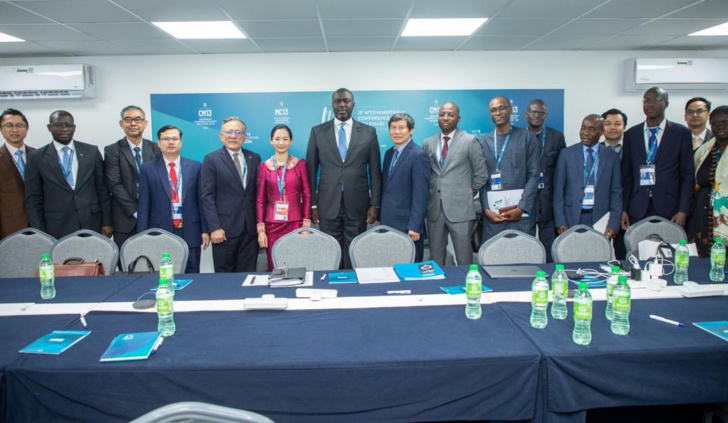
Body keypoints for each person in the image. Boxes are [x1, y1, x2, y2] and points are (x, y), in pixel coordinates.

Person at [306, 88, 382, 269]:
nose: (342, 105)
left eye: (346, 101)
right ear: (332, 105)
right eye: (338, 101)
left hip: (358, 203)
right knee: (331, 250)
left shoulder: (368, 132)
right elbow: (311, 170)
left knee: (354, 250)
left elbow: (375, 171)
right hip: (327, 203)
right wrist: (313, 204)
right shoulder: (318, 132)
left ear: (353, 104)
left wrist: (374, 204)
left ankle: (352, 289)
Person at [25, 110, 112, 240]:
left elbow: (102, 189)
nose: (64, 129)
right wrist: (39, 231)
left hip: (92, 221)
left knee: (94, 259)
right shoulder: (36, 157)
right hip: (56, 225)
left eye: (68, 125)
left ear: (74, 128)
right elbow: (33, 198)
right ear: (49, 128)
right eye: (58, 125)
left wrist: (107, 221)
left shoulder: (91, 152)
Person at [621, 87, 694, 239]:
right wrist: (623, 209)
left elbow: (687, 176)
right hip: (637, 207)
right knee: (636, 252)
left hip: (670, 208)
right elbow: (626, 176)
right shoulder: (631, 135)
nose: (650, 104)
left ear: (666, 103)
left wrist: (683, 210)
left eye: (656, 100)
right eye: (646, 100)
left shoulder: (681, 133)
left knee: (667, 253)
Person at [137, 125, 209, 273]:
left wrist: (205, 230)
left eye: (175, 139)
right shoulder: (148, 168)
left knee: (192, 272)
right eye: (166, 139)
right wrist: (142, 235)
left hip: (190, 229)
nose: (171, 142)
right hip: (160, 230)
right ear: (159, 143)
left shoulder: (195, 166)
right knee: (164, 272)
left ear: (181, 142)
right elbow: (144, 204)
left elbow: (201, 201)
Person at [423, 102, 487, 266]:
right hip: (435, 209)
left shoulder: (469, 140)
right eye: (442, 114)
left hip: (461, 209)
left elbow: (481, 174)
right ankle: (438, 289)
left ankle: (466, 289)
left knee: (464, 258)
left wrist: (466, 193)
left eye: (450, 114)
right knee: (436, 258)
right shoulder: (428, 143)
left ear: (458, 118)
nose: (445, 118)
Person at [201, 117, 261, 272]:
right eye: (229, 132)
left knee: (248, 275)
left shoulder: (254, 158)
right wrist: (214, 227)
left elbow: (256, 194)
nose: (233, 135)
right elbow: (207, 197)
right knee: (224, 278)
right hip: (224, 231)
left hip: (250, 230)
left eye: (238, 132)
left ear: (245, 137)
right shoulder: (211, 159)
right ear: (221, 136)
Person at [479, 96, 540, 242]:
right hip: (493, 217)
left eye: (501, 108)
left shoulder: (527, 137)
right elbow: (480, 179)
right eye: (493, 110)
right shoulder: (483, 141)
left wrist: (522, 208)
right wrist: (486, 210)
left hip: (521, 216)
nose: (497, 113)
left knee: (524, 258)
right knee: (493, 259)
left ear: (511, 110)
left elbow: (534, 175)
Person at [553, 114, 622, 240]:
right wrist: (560, 221)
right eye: (583, 128)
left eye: (591, 129)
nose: (585, 133)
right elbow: (558, 191)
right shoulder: (566, 154)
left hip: (600, 219)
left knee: (598, 255)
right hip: (571, 217)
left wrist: (614, 223)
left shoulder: (612, 157)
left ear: (601, 132)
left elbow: (616, 192)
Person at [104, 106, 161, 253]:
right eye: (128, 119)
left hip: (154, 215)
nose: (133, 123)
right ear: (121, 124)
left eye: (137, 119)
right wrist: (136, 211)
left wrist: (149, 210)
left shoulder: (156, 148)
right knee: (127, 263)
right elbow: (114, 184)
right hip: (125, 217)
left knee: (155, 260)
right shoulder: (112, 150)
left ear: (145, 123)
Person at [256, 124, 311, 271]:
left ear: (291, 141)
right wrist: (261, 229)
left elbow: (307, 194)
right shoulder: (264, 167)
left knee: (297, 263)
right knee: (275, 265)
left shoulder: (300, 164)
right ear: (271, 141)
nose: (281, 142)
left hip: (295, 223)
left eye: (285, 139)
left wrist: (306, 223)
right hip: (272, 224)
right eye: (277, 139)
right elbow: (260, 200)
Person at [381, 113, 431, 262]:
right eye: (393, 128)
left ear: (411, 130)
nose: (397, 132)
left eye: (401, 128)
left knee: (409, 271)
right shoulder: (389, 153)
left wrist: (415, 226)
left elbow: (420, 194)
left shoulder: (418, 155)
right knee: (389, 267)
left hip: (408, 226)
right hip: (388, 223)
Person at [526, 99, 566, 262]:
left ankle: (549, 280)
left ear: (546, 115)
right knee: (525, 246)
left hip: (548, 202)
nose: (537, 115)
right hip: (526, 203)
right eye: (533, 112)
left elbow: (563, 171)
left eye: (541, 112)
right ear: (526, 114)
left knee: (550, 248)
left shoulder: (556, 137)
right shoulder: (519, 137)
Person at [688, 105, 728, 256]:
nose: (720, 126)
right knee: (705, 254)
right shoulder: (703, 152)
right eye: (715, 123)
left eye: (725, 122)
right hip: (703, 213)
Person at [0, 108, 34, 239]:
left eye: (19, 125)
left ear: (27, 128)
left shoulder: (39, 155)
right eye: (9, 125)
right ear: (1, 129)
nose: (15, 130)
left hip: (39, 224)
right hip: (8, 224)